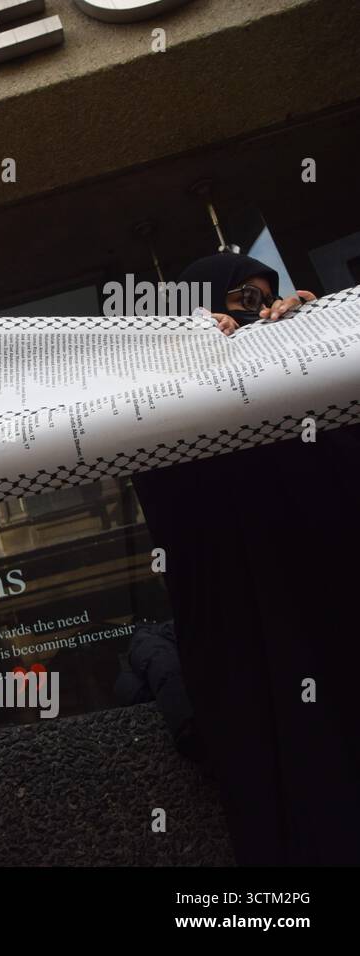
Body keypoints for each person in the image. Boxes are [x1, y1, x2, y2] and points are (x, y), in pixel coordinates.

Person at [130, 252, 360, 864]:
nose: (261, 316)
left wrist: (320, 344)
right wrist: (188, 360)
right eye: (243, 303)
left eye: (269, 302)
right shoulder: (167, 409)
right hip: (260, 675)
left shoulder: (305, 395)